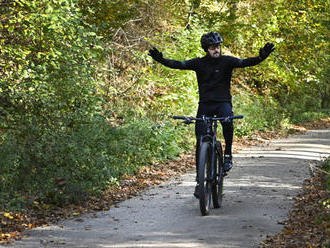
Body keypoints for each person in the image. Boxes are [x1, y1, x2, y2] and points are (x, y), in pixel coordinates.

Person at [148, 31, 275, 198]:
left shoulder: (227, 61)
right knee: (200, 141)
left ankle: (228, 154)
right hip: (205, 105)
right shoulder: (199, 63)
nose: (217, 50)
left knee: (228, 122)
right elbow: (179, 64)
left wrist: (261, 57)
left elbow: (245, 62)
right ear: (206, 49)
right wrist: (161, 60)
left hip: (223, 103)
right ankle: (200, 180)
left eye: (218, 46)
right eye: (213, 47)